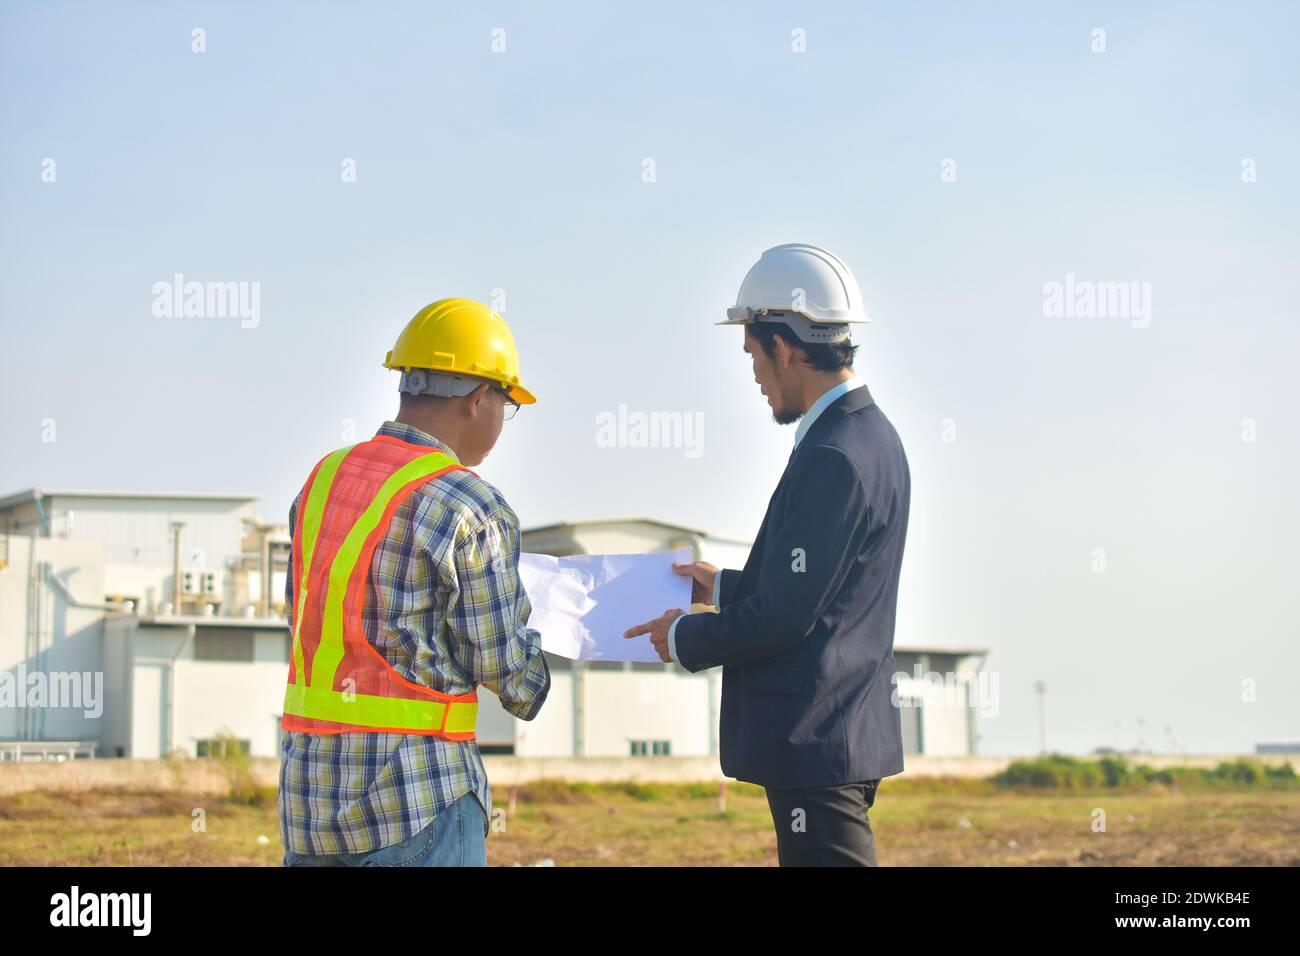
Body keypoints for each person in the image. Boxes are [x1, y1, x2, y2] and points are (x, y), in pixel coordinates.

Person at [624, 244, 910, 866]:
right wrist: (720, 588)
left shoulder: (834, 454)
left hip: (819, 740)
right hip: (836, 734)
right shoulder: (869, 437)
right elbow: (814, 584)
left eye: (752, 352)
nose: (753, 373)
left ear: (785, 347)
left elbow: (786, 616)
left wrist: (684, 640)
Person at [279, 297, 550, 867]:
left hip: (310, 806)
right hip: (417, 801)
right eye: (508, 403)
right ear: (481, 400)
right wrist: (537, 668)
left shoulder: (322, 482)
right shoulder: (468, 504)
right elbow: (506, 669)